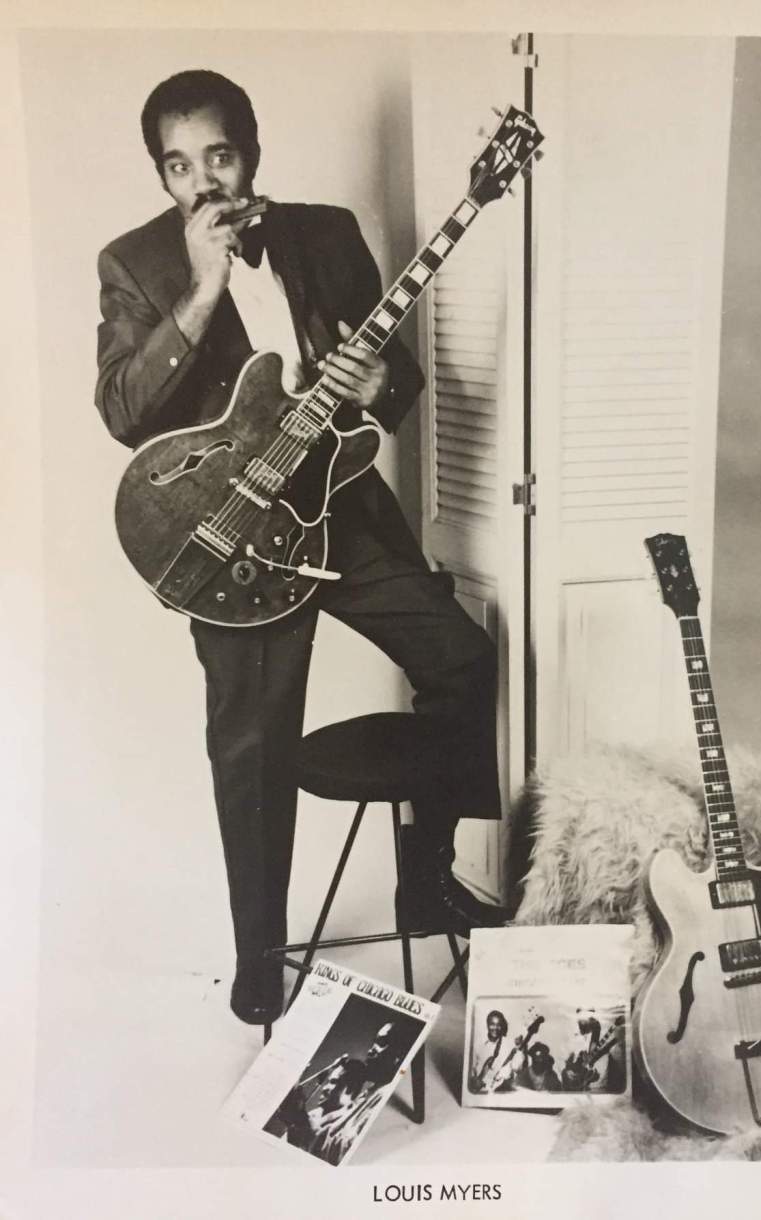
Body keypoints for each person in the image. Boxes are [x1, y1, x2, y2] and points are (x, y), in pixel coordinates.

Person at [95, 69, 508, 1026]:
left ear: (252, 153)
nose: (204, 182)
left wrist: (373, 386)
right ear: (162, 176)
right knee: (253, 747)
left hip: (340, 512)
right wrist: (203, 289)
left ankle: (425, 880)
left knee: (462, 658)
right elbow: (122, 410)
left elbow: (396, 379)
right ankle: (260, 960)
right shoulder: (135, 263)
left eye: (220, 156)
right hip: (234, 537)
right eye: (179, 166)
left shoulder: (326, 235)